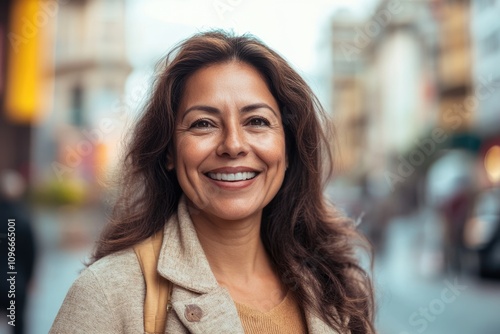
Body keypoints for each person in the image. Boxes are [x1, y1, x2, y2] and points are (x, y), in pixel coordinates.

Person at [50, 31, 375, 334]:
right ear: (169, 153)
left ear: (287, 149)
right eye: (203, 124)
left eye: (257, 121)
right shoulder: (109, 294)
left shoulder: (336, 288)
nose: (233, 145)